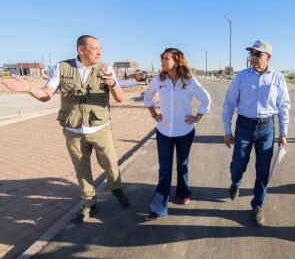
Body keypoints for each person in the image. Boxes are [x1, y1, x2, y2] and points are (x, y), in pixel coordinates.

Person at [0, 35, 129, 222]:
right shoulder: (61, 68)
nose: (100, 52)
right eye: (95, 48)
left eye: (101, 48)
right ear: (81, 49)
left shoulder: (105, 68)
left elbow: (120, 98)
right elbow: (46, 95)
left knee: (111, 165)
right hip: (73, 131)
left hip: (100, 129)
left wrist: (113, 84)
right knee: (82, 169)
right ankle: (89, 203)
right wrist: (27, 87)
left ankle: (117, 189)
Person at [222, 39, 291, 226]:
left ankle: (257, 205)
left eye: (257, 54)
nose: (253, 57)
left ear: (268, 56)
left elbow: (284, 106)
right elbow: (229, 103)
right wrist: (227, 130)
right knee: (238, 165)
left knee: (263, 171)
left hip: (267, 128)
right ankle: (235, 182)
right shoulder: (241, 77)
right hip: (244, 126)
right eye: (251, 53)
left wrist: (283, 132)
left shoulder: (278, 78)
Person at [143, 48, 211, 220]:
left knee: (182, 164)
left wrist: (198, 116)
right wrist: (153, 114)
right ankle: (158, 208)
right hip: (164, 130)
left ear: (177, 61)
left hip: (184, 131)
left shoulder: (189, 81)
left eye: (166, 58)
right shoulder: (159, 79)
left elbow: (206, 99)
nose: (163, 62)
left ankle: (182, 192)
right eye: (162, 59)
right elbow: (147, 96)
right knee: (165, 169)